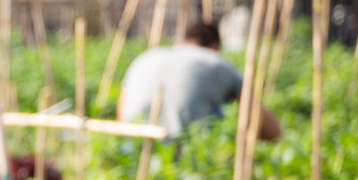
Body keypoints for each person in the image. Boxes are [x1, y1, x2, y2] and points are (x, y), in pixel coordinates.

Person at [118, 21, 280, 141]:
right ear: (215, 46)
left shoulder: (147, 57)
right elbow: (269, 128)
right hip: (184, 149)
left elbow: (121, 113)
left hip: (131, 145)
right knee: (217, 115)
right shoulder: (215, 61)